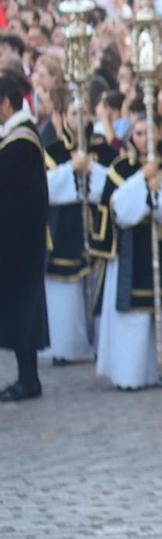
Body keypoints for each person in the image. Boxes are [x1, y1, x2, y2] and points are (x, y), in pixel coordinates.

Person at [89, 115, 162, 390]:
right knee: (134, 318)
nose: (144, 139)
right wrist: (142, 181)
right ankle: (131, 375)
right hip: (132, 256)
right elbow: (118, 211)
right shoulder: (121, 169)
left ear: (160, 134)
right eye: (139, 133)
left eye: (149, 133)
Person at [41, 107, 115, 363]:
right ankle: (65, 348)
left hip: (98, 230)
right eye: (74, 113)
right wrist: (71, 169)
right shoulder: (52, 151)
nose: (80, 118)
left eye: (84, 112)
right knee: (65, 295)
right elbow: (43, 188)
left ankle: (100, 345)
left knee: (98, 287)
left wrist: (92, 170)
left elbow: (115, 187)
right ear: (63, 117)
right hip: (64, 230)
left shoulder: (105, 151)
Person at [0, 73, 49, 401]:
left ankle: (28, 380)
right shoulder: (17, 139)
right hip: (18, 240)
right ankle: (25, 377)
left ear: (6, 103)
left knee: (22, 311)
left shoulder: (21, 142)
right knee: (19, 309)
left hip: (19, 242)